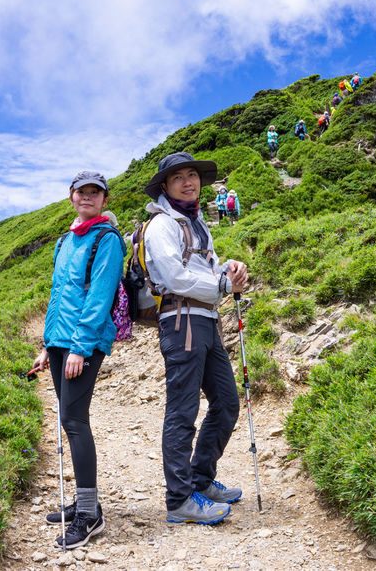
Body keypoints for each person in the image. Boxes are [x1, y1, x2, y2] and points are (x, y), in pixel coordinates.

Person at [141, 152, 249, 525]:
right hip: (181, 322)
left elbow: (204, 267)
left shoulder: (197, 223)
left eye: (193, 176)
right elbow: (175, 278)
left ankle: (200, 480)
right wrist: (220, 283)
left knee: (227, 402)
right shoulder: (161, 226)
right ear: (165, 187)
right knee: (183, 412)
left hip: (206, 320)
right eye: (178, 178)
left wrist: (228, 267)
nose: (189, 182)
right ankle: (179, 500)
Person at [29, 170, 126, 549]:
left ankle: (89, 515)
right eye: (81, 191)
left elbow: (100, 296)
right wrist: (47, 344)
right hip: (59, 342)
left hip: (82, 343)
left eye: (95, 192)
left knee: (74, 420)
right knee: (70, 419)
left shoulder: (107, 240)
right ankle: (85, 503)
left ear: (104, 199)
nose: (87, 197)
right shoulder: (65, 241)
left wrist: (80, 347)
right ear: (71, 196)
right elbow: (58, 296)